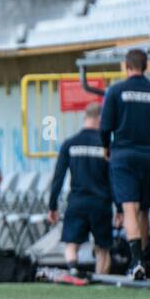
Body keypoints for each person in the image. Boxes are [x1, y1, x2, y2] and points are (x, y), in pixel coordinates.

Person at [99, 48, 150, 280]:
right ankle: (143, 257)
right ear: (147, 66)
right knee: (144, 208)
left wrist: (107, 148)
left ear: (126, 65)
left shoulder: (115, 91)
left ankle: (135, 262)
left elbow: (105, 128)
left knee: (129, 207)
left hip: (123, 156)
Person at [47, 102, 113, 275]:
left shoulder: (69, 144)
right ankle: (101, 283)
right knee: (103, 249)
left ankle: (73, 270)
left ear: (85, 118)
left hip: (77, 202)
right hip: (101, 203)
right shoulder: (107, 146)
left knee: (71, 244)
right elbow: (114, 178)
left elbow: (58, 178)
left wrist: (52, 206)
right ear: (101, 119)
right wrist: (120, 208)